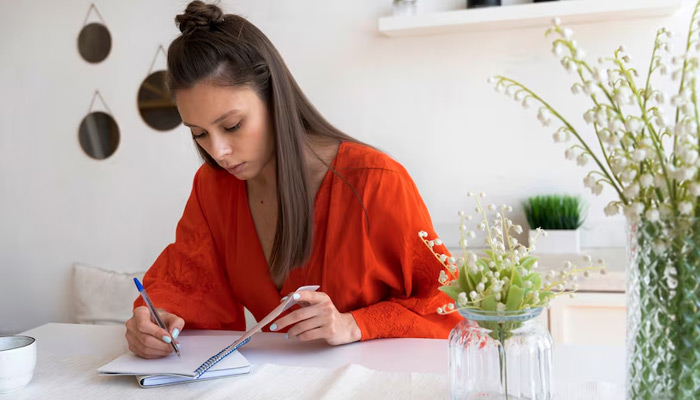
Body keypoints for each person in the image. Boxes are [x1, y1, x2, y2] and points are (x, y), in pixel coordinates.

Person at [125, 0, 459, 359]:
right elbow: (187, 285)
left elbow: (448, 306)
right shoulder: (213, 187)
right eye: (199, 133)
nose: (218, 151)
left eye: (232, 125)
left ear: (274, 97)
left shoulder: (376, 183)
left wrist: (355, 323)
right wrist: (154, 320)